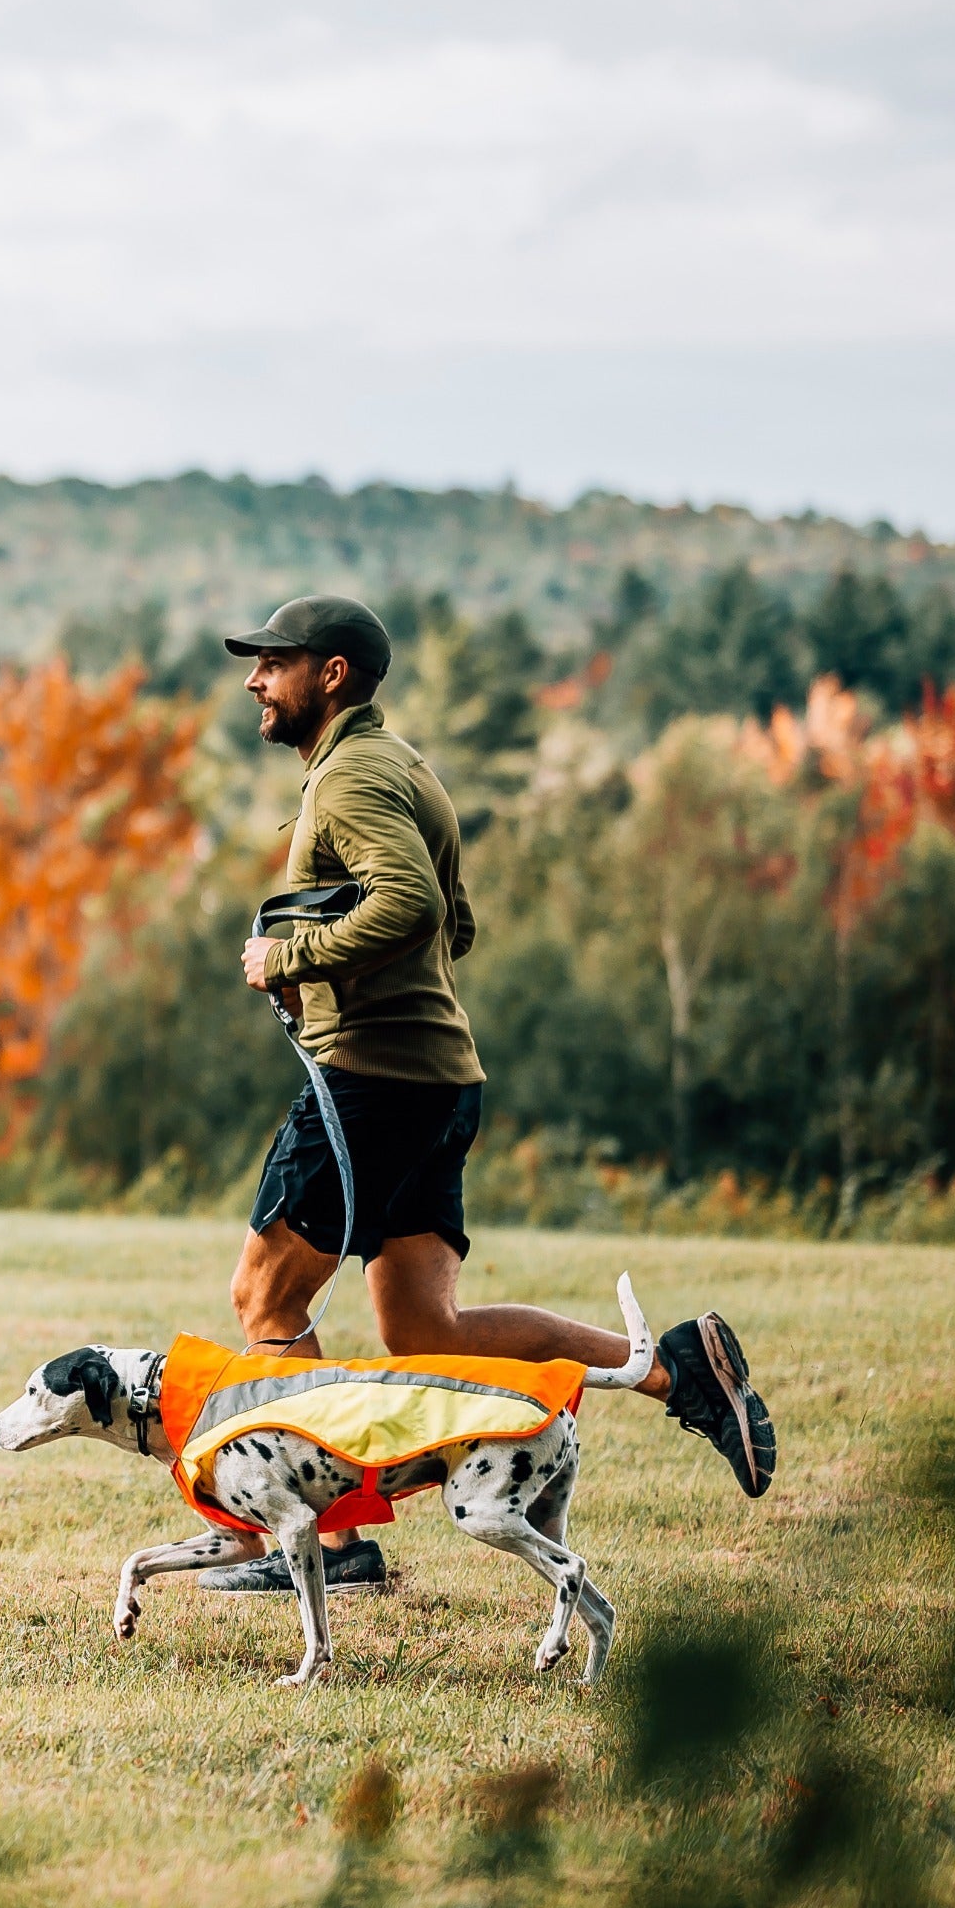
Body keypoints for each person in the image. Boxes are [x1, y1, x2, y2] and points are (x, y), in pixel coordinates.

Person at [198, 595, 776, 1596]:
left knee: (266, 1296)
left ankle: (330, 1543)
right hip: (433, 1081)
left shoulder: (350, 779)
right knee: (432, 1338)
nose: (254, 677)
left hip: (372, 1086)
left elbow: (414, 907)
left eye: (273, 661)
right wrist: (345, 966)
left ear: (331, 673)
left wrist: (288, 954)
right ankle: (676, 1368)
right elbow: (450, 927)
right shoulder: (404, 767)